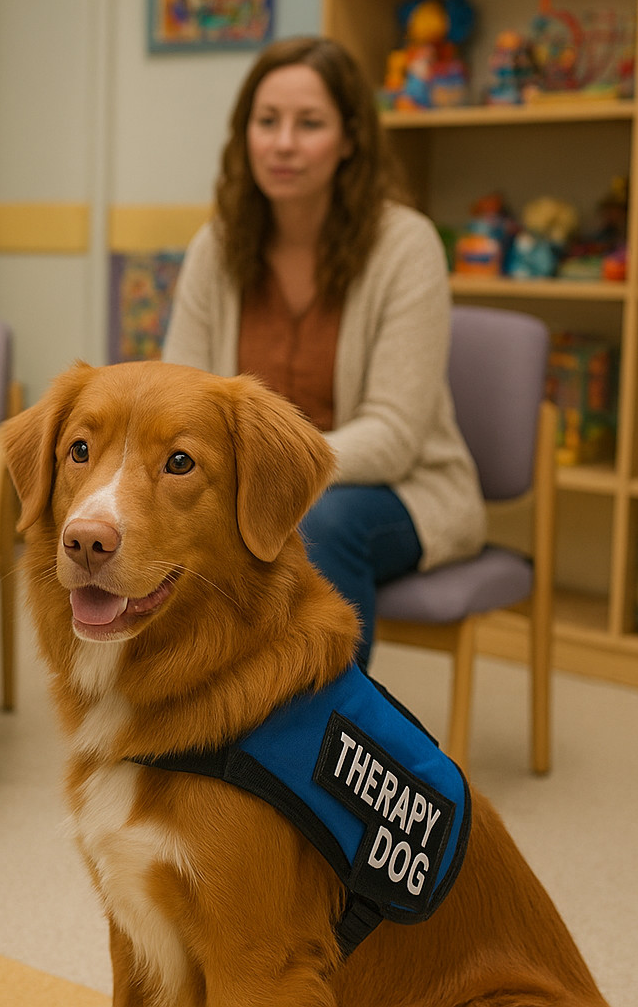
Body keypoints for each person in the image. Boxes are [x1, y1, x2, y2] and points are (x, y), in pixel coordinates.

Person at [163, 36, 486, 670]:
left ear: (349, 141)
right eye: (267, 121)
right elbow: (180, 397)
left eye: (309, 124)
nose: (283, 143)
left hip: (400, 489)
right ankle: (195, 725)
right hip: (246, 483)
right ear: (244, 135)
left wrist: (267, 476)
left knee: (317, 524)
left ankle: (325, 737)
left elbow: (395, 435)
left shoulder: (406, 245)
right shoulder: (216, 244)